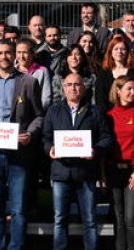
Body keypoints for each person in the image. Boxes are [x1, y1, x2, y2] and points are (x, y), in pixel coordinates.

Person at [0, 39, 44, 250]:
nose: (4, 56)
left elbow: (39, 116)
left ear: (14, 55)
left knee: (19, 209)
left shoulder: (29, 82)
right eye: (0, 53)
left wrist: (30, 134)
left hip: (19, 154)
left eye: (8, 53)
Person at [43, 73, 113, 250]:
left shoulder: (94, 111)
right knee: (60, 219)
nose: (73, 88)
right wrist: (50, 148)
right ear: (63, 88)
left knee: (89, 219)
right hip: (61, 171)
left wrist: (95, 150)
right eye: (69, 85)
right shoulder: (53, 110)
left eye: (77, 85)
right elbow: (45, 138)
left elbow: (106, 138)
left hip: (85, 173)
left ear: (83, 88)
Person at [105, 76, 134, 250]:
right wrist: (103, 174)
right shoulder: (109, 115)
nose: (133, 92)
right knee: (118, 217)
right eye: (128, 89)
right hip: (114, 170)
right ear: (118, 91)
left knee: (131, 218)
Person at [96, 34, 134, 108]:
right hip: (109, 115)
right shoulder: (103, 73)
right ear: (110, 52)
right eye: (116, 49)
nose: (119, 51)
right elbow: (100, 98)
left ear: (127, 52)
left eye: (123, 49)